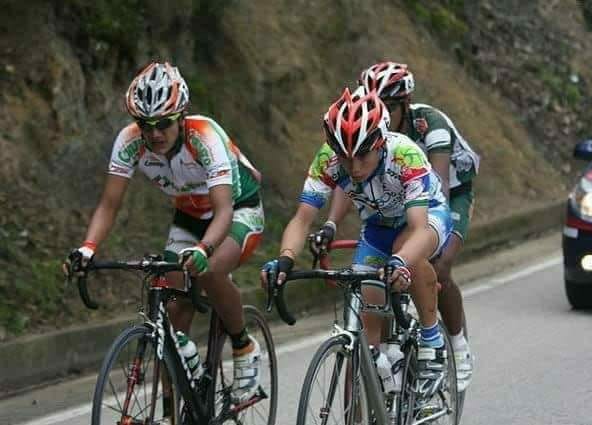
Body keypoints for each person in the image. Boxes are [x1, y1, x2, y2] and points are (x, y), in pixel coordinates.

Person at [63, 62, 264, 401]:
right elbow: (109, 204)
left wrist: (203, 250)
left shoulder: (204, 137)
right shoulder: (129, 142)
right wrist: (88, 248)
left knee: (211, 271)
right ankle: (180, 393)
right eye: (145, 124)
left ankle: (243, 346)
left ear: (181, 116)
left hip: (237, 210)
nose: (154, 133)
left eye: (163, 124)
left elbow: (224, 210)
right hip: (188, 216)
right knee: (173, 308)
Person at [261, 87, 453, 387]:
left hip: (425, 217)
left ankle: (433, 340)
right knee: (367, 329)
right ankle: (382, 387)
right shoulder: (329, 160)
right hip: (377, 227)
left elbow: (417, 228)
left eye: (363, 155)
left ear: (380, 142)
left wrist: (400, 261)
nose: (354, 167)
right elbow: (302, 219)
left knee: (406, 252)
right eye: (345, 157)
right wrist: (284, 259)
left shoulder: (404, 154)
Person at [359, 61, 480, 391]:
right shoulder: (369, 130)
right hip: (409, 195)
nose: (379, 113)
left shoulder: (431, 124)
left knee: (438, 265)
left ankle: (457, 346)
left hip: (449, 191)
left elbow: (437, 183)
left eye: (388, 106)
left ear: (406, 105)